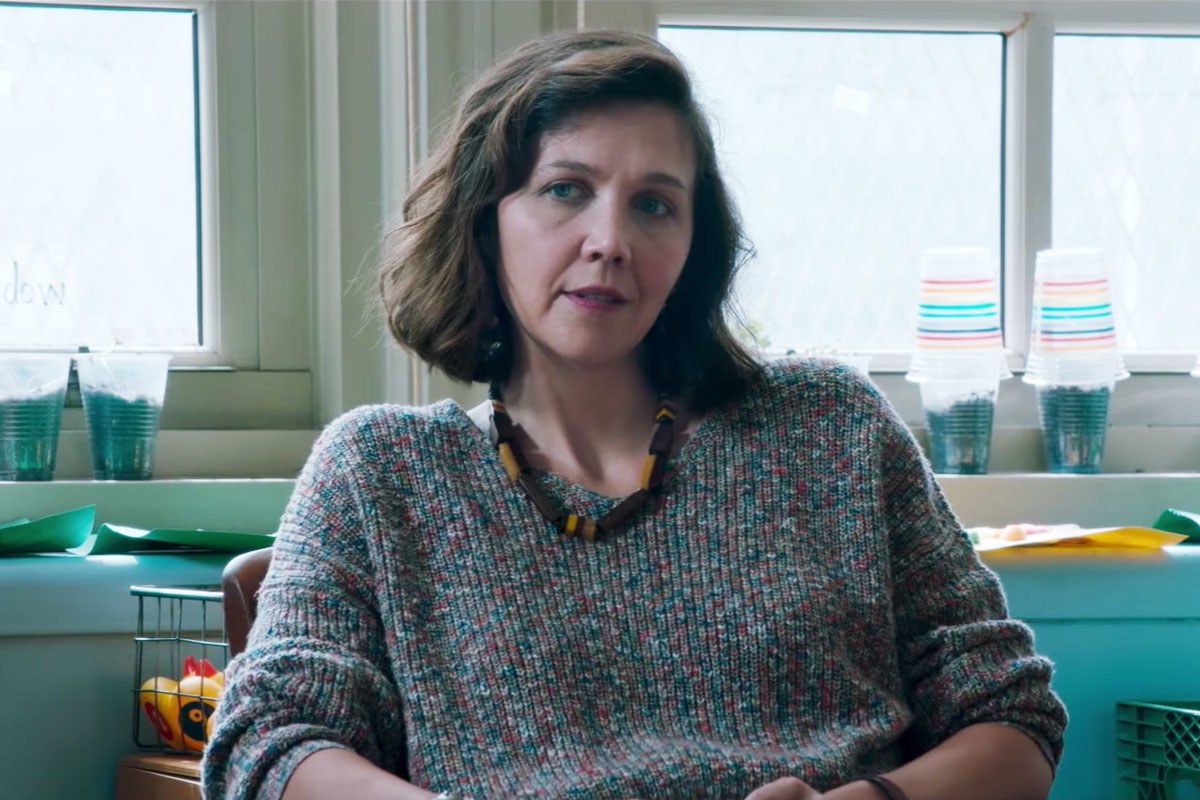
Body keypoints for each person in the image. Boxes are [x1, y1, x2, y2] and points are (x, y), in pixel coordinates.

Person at [202, 30, 1066, 800]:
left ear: (694, 246)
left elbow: (1014, 717)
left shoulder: (831, 427)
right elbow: (267, 743)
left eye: (654, 204)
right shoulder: (379, 469)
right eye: (565, 190)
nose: (610, 241)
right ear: (484, 220)